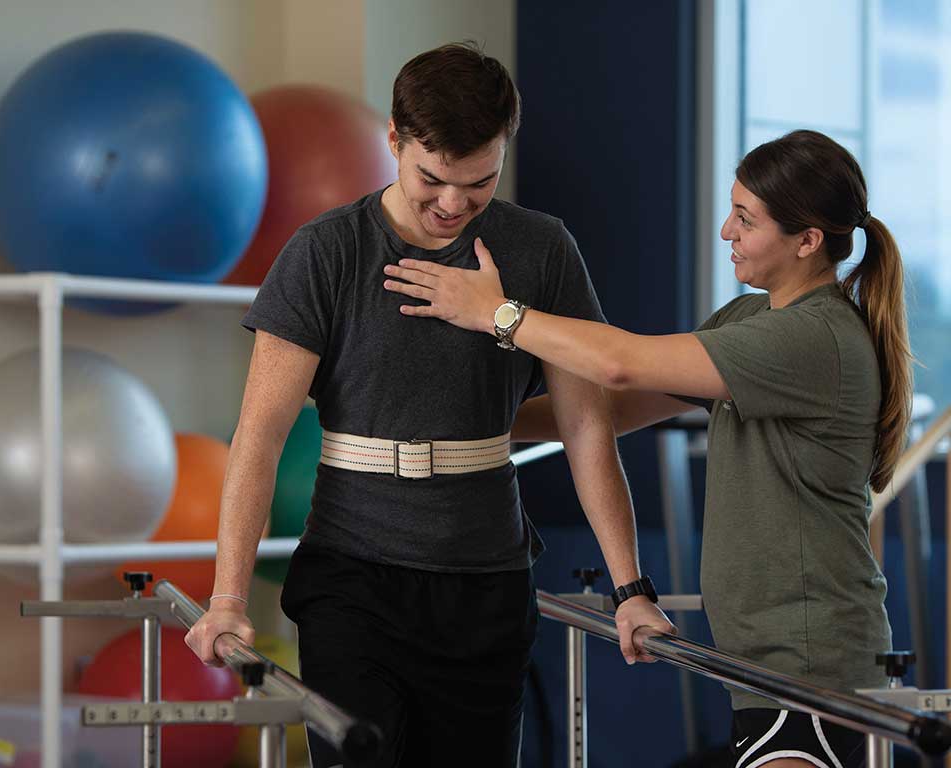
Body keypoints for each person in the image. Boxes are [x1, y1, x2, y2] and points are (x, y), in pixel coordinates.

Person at [185, 42, 672, 768]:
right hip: (353, 577)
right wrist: (227, 598)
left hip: (486, 581)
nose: (453, 205)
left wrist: (631, 587)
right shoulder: (327, 253)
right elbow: (258, 435)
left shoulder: (540, 250)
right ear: (394, 140)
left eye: (479, 182)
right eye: (433, 180)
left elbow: (585, 426)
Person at [381, 128, 912, 768]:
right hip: (767, 666)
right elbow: (611, 409)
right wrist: (461, 424)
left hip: (810, 666)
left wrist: (499, 314)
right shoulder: (750, 321)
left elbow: (620, 364)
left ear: (807, 241)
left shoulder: (814, 338)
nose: (726, 231)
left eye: (746, 219)